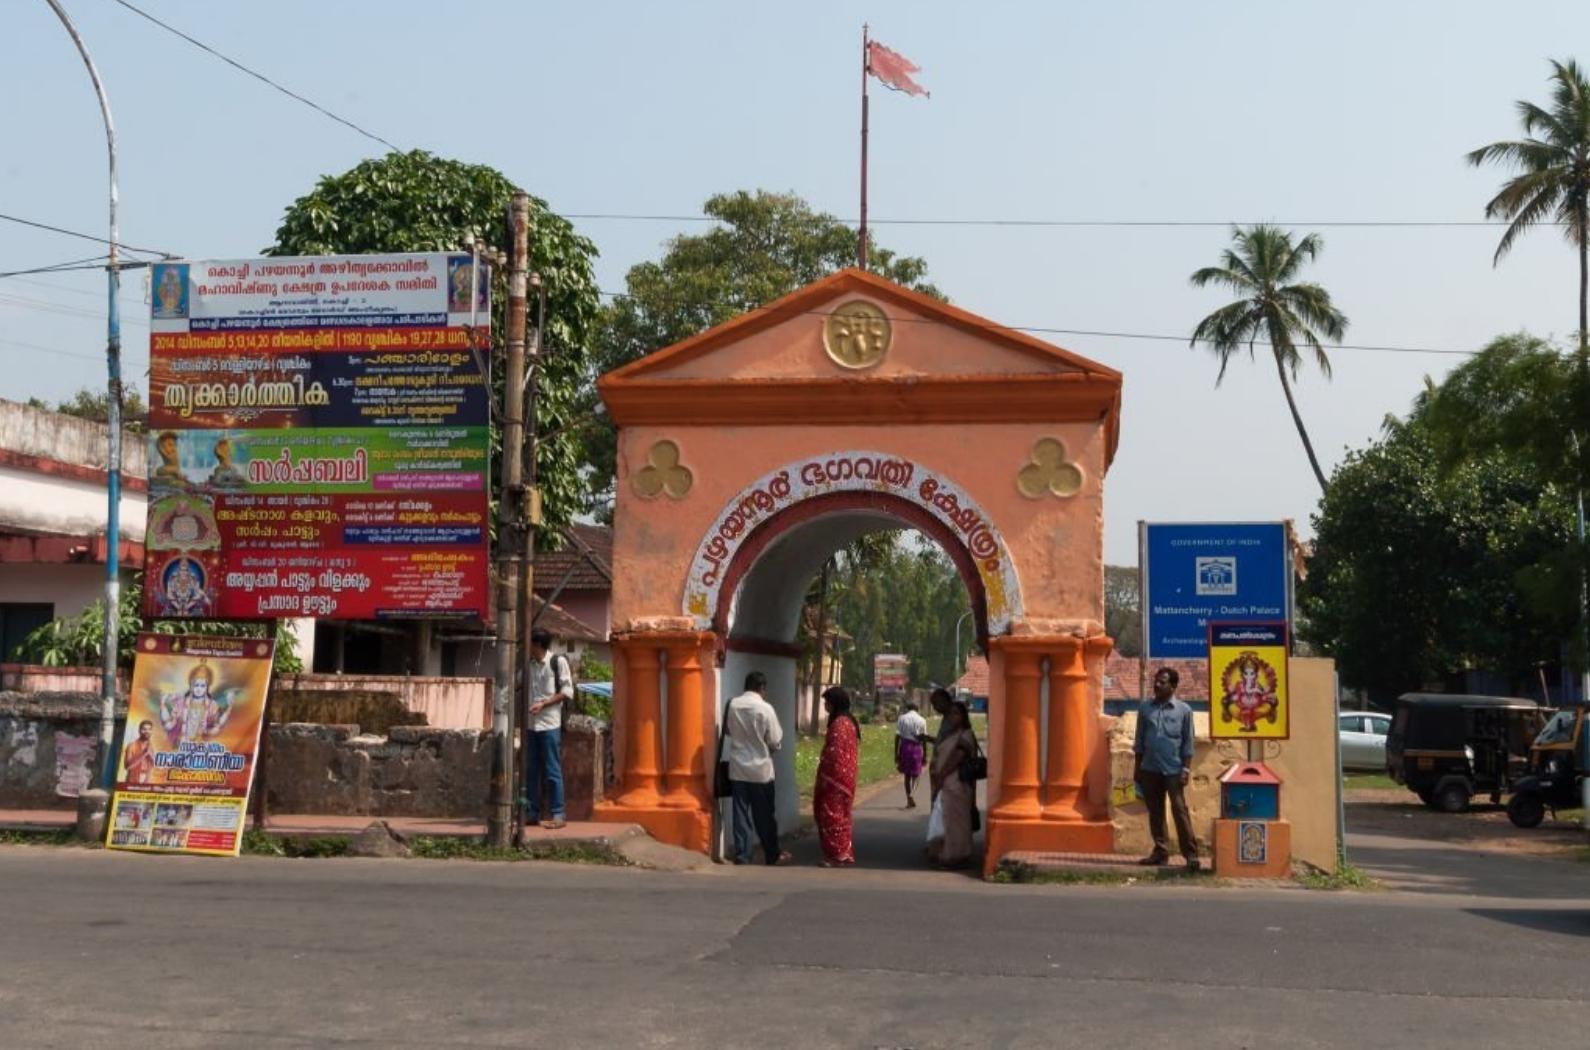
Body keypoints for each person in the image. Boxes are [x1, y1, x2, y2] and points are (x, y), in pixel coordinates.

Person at [1134, 666, 1200, 871]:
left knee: (1179, 810)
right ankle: (1161, 852)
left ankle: (1190, 855)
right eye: (1156, 681)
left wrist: (1186, 770)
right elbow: (1139, 741)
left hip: (1173, 769)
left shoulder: (1184, 710)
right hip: (1149, 768)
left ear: (1172, 686)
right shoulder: (1145, 709)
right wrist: (1137, 770)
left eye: (1162, 682)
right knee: (1155, 811)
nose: (1157, 685)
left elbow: (1188, 743)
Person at [724, 670, 791, 866]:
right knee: (764, 816)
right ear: (762, 688)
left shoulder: (733, 705)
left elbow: (728, 731)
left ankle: (743, 855)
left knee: (740, 814)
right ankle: (772, 854)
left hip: (738, 769)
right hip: (761, 770)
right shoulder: (765, 708)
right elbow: (775, 739)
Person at [524, 629, 574, 830]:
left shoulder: (557, 662)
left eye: (530, 644)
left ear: (538, 645)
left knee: (552, 770)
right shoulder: (529, 665)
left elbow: (567, 691)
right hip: (531, 724)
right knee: (532, 771)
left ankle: (558, 813)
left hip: (550, 723)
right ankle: (532, 812)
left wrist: (544, 704)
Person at [927, 698, 979, 869]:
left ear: (963, 717)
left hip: (956, 782)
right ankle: (945, 852)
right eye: (950, 714)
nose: (952, 717)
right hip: (947, 783)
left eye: (956, 714)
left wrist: (942, 774)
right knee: (946, 819)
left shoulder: (966, 735)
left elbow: (957, 757)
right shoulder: (950, 735)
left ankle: (955, 855)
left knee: (956, 820)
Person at [813, 686, 860, 867]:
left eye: (827, 703)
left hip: (835, 779)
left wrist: (825, 777)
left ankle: (836, 854)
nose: (825, 706)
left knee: (831, 816)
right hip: (845, 778)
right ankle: (843, 852)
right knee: (842, 815)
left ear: (835, 704)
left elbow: (835, 755)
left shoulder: (840, 724)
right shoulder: (848, 721)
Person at [894, 699, 928, 808]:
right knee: (916, 774)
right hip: (916, 748)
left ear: (908, 709)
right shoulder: (922, 720)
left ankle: (909, 797)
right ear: (917, 710)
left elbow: (898, 736)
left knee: (907, 775)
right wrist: (925, 755)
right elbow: (924, 739)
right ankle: (912, 795)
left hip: (904, 747)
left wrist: (896, 753)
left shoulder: (902, 718)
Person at [122, 720, 156, 786]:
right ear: (139, 730)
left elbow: (153, 765)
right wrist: (144, 754)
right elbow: (127, 766)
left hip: (146, 779)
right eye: (144, 729)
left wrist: (152, 757)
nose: (147, 731)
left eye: (149, 729)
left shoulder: (150, 746)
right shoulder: (131, 745)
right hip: (133, 779)